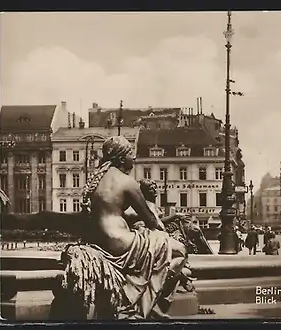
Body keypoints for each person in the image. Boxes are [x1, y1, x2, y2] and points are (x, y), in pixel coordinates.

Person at [53, 136, 188, 320]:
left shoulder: (94, 181)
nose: (134, 158)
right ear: (122, 156)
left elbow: (107, 213)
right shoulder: (128, 182)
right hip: (119, 242)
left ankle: (137, 300)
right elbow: (151, 222)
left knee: (152, 246)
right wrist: (163, 235)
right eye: (131, 153)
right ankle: (144, 305)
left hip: (98, 241)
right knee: (179, 251)